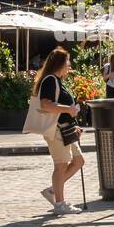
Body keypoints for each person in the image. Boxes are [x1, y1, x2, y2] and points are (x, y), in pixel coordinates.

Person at [33, 47, 86, 215]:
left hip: (67, 129)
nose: (69, 65)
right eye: (68, 61)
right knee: (61, 165)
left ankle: (53, 190)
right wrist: (69, 110)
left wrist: (73, 122)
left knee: (78, 161)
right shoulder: (50, 80)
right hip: (56, 130)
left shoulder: (56, 80)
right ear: (61, 63)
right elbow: (45, 104)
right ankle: (60, 204)